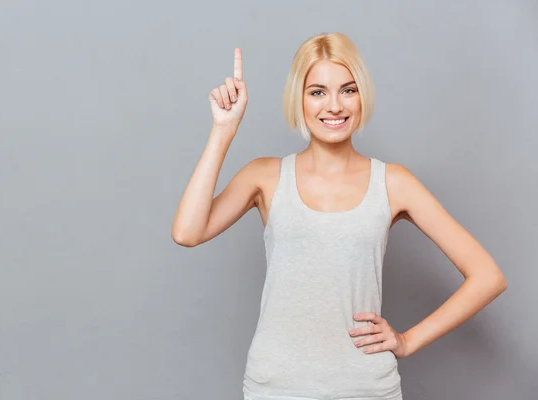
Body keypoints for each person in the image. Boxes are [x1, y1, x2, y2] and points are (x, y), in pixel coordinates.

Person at [171, 32, 507, 400]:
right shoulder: (264, 176)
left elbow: (488, 277)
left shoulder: (393, 182)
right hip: (276, 388)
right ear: (298, 100)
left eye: (348, 90)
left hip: (366, 389)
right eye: (317, 92)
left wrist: (407, 341)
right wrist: (223, 131)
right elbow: (187, 232)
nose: (334, 105)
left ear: (362, 96)